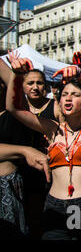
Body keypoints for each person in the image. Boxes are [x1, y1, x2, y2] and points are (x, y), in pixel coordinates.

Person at [6, 57, 81, 240]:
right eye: (64, 95)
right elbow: (13, 108)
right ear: (59, 101)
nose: (68, 98)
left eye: (76, 94)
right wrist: (16, 75)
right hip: (54, 206)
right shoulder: (51, 128)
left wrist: (80, 74)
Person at [0, 57, 51, 239]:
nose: (35, 87)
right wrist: (23, 150)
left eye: (39, 83)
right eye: (31, 83)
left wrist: (17, 73)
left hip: (20, 184)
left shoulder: (16, 112)